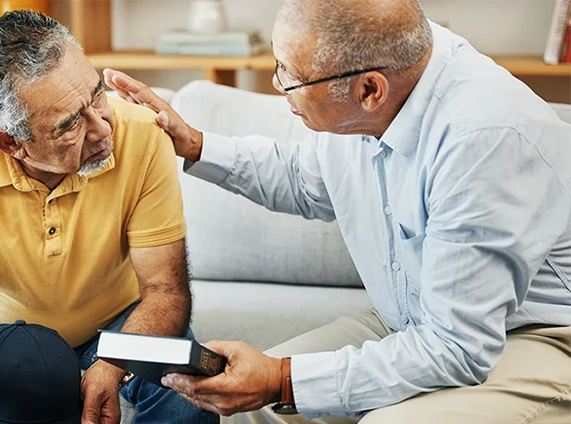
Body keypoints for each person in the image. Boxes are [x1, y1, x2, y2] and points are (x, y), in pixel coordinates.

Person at [104, 0, 571, 422]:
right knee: (245, 411)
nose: (277, 84)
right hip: (410, 321)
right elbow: (308, 180)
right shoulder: (388, 81)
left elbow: (457, 347)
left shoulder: (482, 140)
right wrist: (195, 144)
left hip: (534, 336)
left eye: (289, 73)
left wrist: (282, 378)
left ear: (370, 90)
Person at [0, 10, 216, 424]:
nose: (102, 128)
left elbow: (166, 291)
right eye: (69, 124)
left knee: (189, 400)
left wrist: (111, 364)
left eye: (96, 95)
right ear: (11, 143)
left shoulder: (143, 134)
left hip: (116, 323)